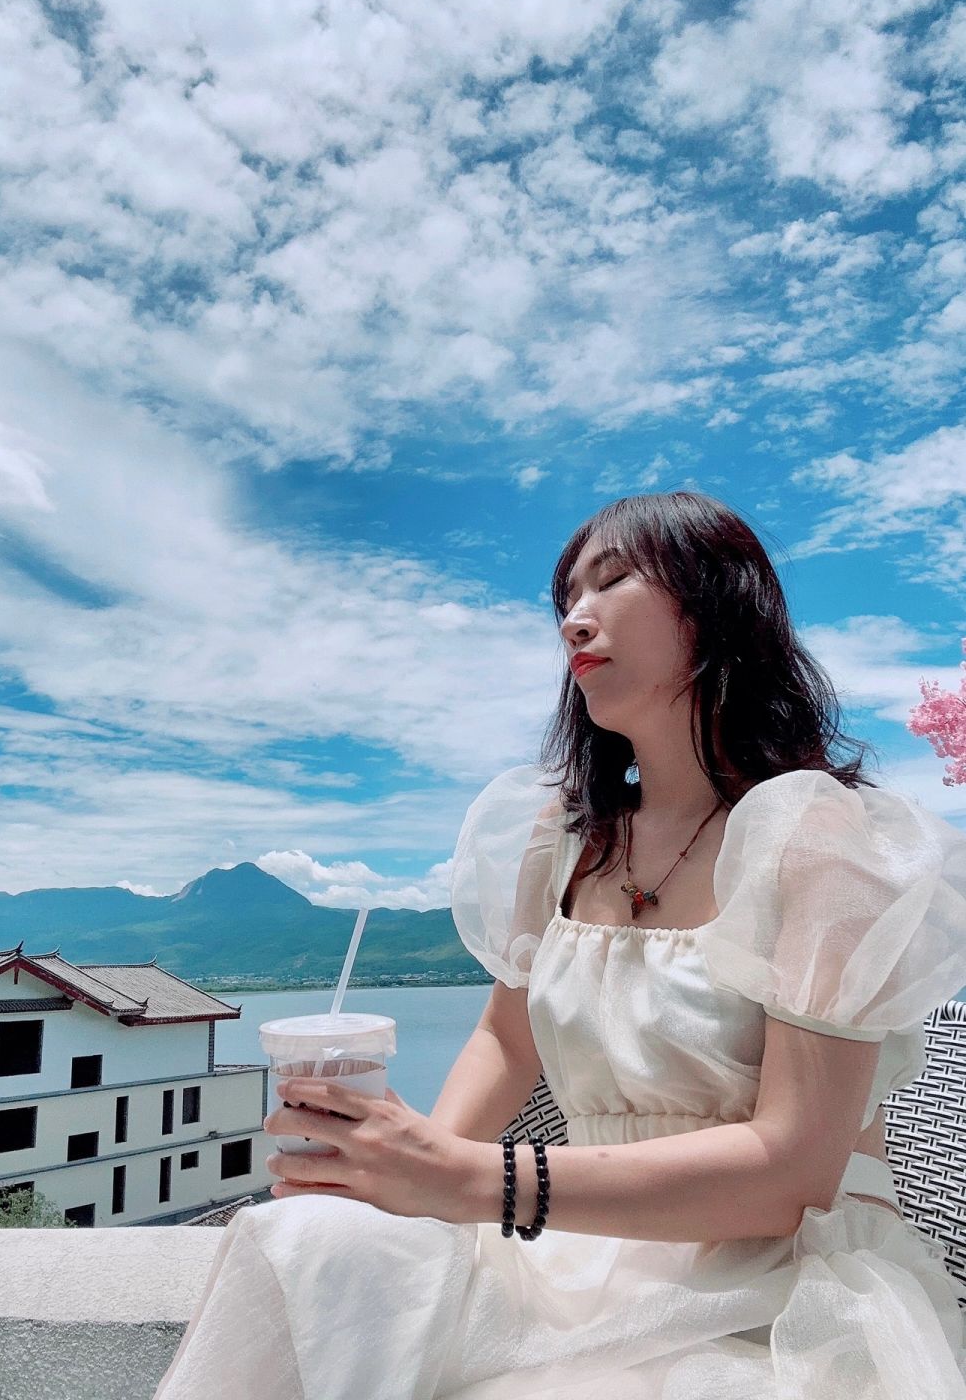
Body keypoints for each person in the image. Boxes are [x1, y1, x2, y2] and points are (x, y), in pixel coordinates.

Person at [154, 491, 966, 1399]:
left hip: (772, 1283)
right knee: (308, 1241)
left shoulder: (822, 841)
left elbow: (793, 1173)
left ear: (717, 602)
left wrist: (471, 1178)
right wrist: (395, 1169)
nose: (575, 617)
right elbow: (506, 1041)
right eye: (566, 598)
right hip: (577, 1245)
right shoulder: (565, 841)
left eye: (613, 581)